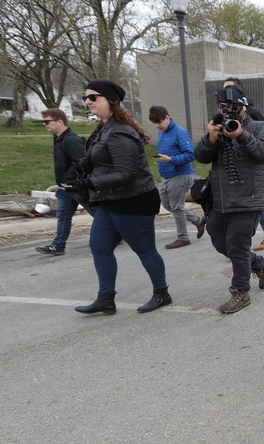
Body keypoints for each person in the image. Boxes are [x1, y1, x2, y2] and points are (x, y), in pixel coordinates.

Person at [69, 80, 172, 315]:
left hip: (134, 200)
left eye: (94, 97)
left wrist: (89, 182)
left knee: (145, 251)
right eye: (86, 97)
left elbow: (126, 173)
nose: (88, 101)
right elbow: (105, 161)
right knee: (99, 247)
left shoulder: (119, 132)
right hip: (110, 200)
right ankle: (106, 298)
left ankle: (162, 293)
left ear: (110, 101)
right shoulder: (104, 128)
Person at [194, 83, 264, 314]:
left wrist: (242, 135)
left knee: (238, 247)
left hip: (248, 200)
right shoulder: (218, 129)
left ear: (243, 108)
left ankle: (241, 291)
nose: (227, 111)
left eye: (232, 107)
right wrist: (210, 139)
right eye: (223, 107)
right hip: (220, 201)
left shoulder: (259, 127)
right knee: (221, 243)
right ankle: (260, 264)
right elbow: (200, 157)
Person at [222, 77, 264, 251]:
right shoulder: (225, 113)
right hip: (235, 173)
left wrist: (243, 135)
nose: (225, 93)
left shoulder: (248, 112)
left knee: (255, 203)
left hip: (252, 171)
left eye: (228, 89)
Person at [35, 108, 95, 256]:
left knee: (98, 214)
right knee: (63, 216)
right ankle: (58, 245)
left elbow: (82, 162)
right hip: (64, 189)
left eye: (47, 121)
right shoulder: (58, 139)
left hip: (77, 188)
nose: (45, 124)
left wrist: (69, 179)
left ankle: (120, 233)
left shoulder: (71, 140)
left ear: (60, 121)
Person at [148, 105, 206, 249]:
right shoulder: (162, 132)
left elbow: (190, 155)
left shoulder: (180, 132)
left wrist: (171, 160)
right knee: (168, 205)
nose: (157, 126)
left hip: (181, 174)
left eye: (159, 122)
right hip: (166, 175)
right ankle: (198, 221)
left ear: (167, 117)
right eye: (155, 123)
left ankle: (183, 238)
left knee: (177, 206)